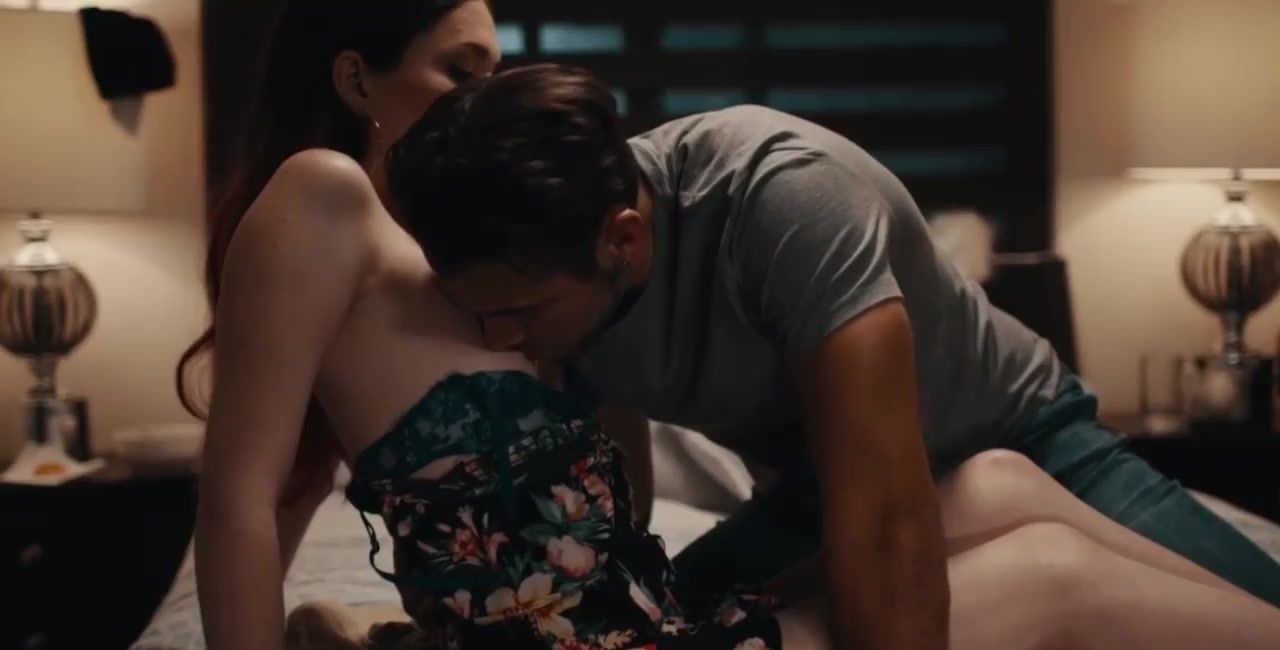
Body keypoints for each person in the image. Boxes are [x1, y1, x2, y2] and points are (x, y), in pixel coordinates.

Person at [382, 63, 1280, 649]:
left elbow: (885, 518)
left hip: (1019, 437)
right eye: (484, 316)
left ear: (623, 239)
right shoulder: (547, 273)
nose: (500, 340)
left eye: (520, 314)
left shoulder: (784, 198)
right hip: (815, 491)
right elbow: (614, 508)